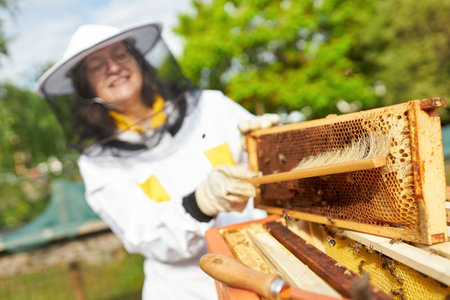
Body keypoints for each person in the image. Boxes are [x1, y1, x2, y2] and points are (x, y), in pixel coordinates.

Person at [37, 21, 279, 300]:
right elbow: (146, 236)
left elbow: (273, 172)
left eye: (120, 54)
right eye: (96, 65)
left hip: (270, 260)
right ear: (85, 85)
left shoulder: (211, 106)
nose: (113, 67)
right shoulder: (99, 165)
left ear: (138, 61)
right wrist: (200, 203)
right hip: (191, 290)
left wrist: (266, 142)